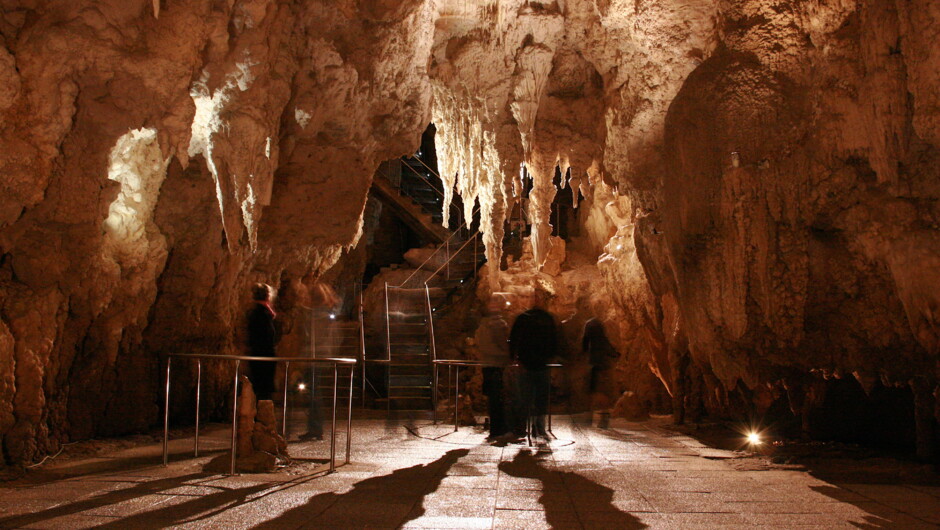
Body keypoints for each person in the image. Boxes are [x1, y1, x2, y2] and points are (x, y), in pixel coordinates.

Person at [508, 288, 559, 442]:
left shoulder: (524, 318)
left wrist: (514, 358)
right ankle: (537, 427)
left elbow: (513, 340)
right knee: (539, 397)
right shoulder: (546, 318)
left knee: (525, 396)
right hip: (539, 363)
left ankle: (522, 427)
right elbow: (554, 340)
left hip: (529, 363)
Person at [474, 295, 511, 440]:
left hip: (487, 364)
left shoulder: (483, 324)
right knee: (498, 398)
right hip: (498, 364)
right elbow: (503, 345)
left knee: (493, 399)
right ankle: (499, 429)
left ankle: (495, 429)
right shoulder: (499, 324)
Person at [582, 318, 618, 427]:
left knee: (592, 392)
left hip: (593, 366)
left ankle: (589, 417)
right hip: (604, 366)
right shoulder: (603, 340)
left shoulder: (589, 340)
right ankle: (604, 418)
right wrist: (616, 354)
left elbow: (583, 348)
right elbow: (611, 351)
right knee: (603, 392)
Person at [247, 282, 279, 401]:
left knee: (261, 388)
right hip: (263, 356)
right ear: (267, 296)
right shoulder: (262, 313)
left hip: (260, 355)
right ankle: (261, 415)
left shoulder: (259, 312)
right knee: (262, 389)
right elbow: (266, 335)